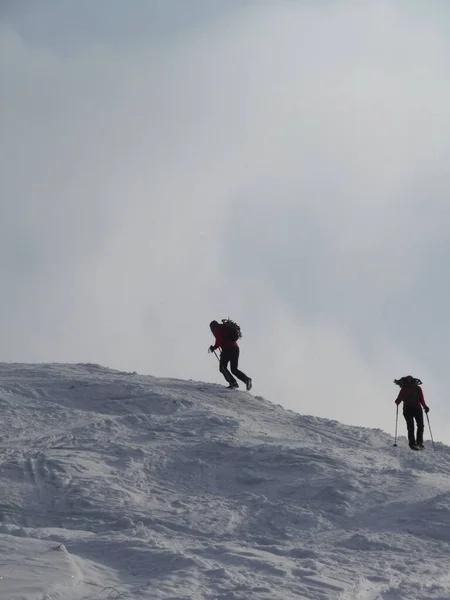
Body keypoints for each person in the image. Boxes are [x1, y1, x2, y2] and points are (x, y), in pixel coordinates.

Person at [208, 320, 252, 390]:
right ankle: (247, 380)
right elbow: (220, 340)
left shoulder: (217, 329)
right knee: (234, 369)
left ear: (212, 327)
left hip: (228, 349)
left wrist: (213, 348)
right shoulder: (223, 327)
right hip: (235, 349)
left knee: (222, 367)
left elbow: (219, 340)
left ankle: (233, 383)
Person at [394, 376, 429, 450]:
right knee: (420, 426)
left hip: (407, 409)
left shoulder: (403, 389)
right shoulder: (417, 388)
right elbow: (421, 399)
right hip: (417, 409)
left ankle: (412, 444)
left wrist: (397, 402)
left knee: (410, 426)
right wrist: (425, 407)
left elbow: (397, 401)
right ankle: (419, 443)